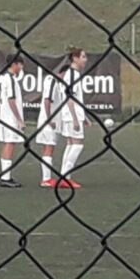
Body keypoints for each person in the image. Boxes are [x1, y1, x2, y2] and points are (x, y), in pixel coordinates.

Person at [56, 48, 89, 188]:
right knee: (77, 144)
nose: (85, 59)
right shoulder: (72, 75)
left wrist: (84, 117)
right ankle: (65, 177)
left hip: (71, 114)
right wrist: (76, 118)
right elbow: (70, 98)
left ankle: (64, 176)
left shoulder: (71, 74)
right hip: (71, 115)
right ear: (75, 58)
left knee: (71, 144)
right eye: (83, 56)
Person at [35, 61, 66, 188]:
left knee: (48, 148)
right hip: (49, 122)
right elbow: (47, 100)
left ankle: (46, 178)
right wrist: (49, 119)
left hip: (51, 121)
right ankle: (46, 179)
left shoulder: (57, 84)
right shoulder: (52, 81)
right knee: (49, 148)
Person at [0, 53, 26, 188]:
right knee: (10, 144)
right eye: (20, 64)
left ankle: (5, 175)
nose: (21, 67)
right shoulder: (10, 79)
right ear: (14, 64)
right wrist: (19, 119)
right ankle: (5, 177)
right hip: (10, 119)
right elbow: (11, 100)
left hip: (5, 117)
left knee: (8, 144)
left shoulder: (6, 78)